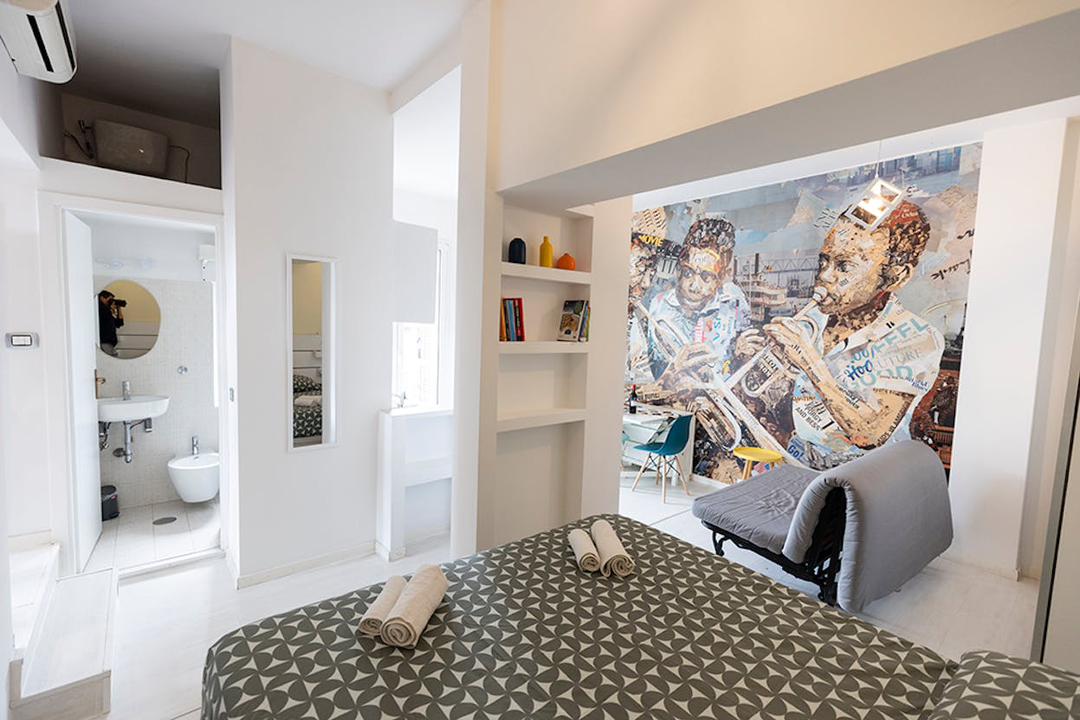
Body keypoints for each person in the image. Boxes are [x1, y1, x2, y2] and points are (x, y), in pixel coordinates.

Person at [734, 200, 943, 468]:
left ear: (895, 276)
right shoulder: (814, 316)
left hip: (863, 476)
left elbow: (870, 432)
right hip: (798, 461)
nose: (824, 276)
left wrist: (809, 362)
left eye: (844, 266)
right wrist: (749, 358)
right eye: (824, 261)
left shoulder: (917, 337)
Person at [646, 217, 749, 388]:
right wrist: (674, 371)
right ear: (679, 268)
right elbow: (648, 373)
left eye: (706, 277)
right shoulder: (659, 306)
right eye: (688, 273)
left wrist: (741, 355)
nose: (694, 286)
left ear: (722, 277)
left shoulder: (734, 301)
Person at [98, 290, 124, 357]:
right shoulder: (99, 309)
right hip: (104, 342)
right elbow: (103, 313)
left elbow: (119, 323)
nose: (111, 302)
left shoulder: (108, 311)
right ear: (102, 298)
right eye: (110, 299)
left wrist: (118, 308)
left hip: (110, 344)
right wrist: (110, 308)